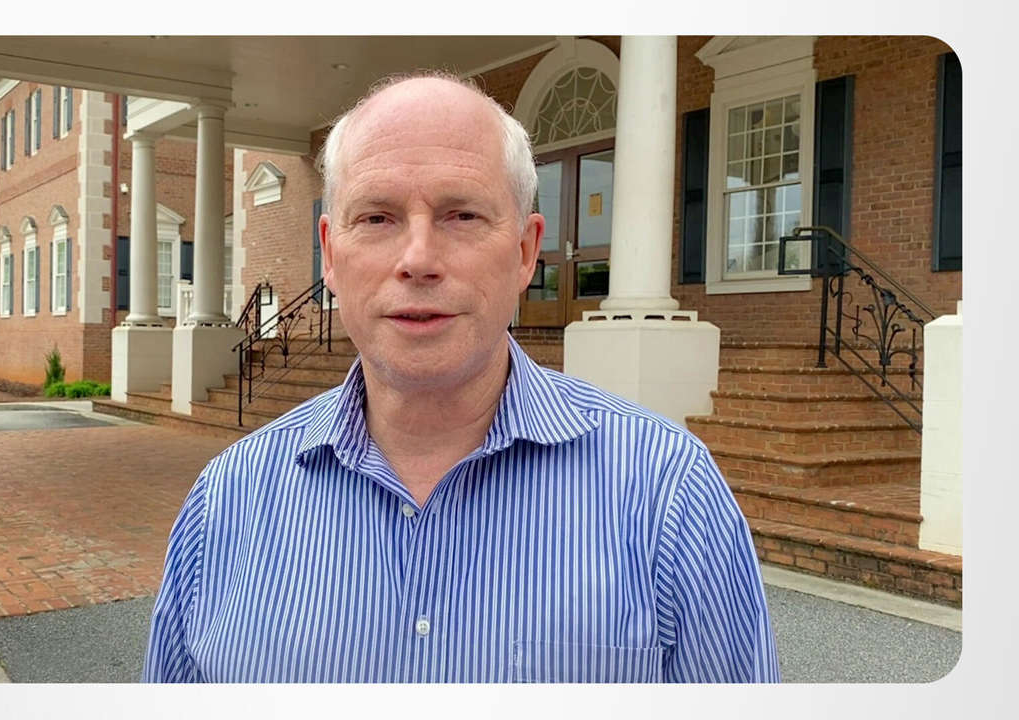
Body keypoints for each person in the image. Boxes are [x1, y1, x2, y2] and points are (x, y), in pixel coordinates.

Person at [142, 72, 780, 683]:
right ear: (330, 254)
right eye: (378, 218)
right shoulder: (227, 501)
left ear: (526, 251)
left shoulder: (669, 496)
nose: (418, 259)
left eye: (462, 215)